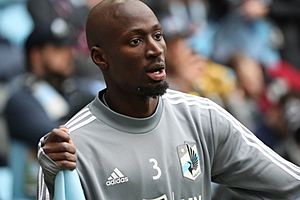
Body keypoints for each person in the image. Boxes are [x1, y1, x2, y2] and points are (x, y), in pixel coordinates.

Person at [37, 0, 300, 199]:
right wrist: (52, 175)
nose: (155, 49)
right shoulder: (69, 147)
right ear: (100, 58)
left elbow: (291, 185)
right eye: (136, 40)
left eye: (158, 36)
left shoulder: (202, 118)